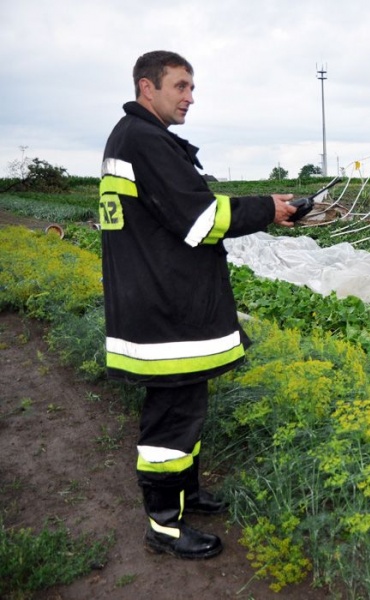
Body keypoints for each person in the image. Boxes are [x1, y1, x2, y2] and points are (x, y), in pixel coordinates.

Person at [99, 50, 297, 560]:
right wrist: (269, 209)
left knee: (186, 410)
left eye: (192, 87)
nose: (190, 97)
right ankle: (164, 526)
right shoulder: (145, 140)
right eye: (180, 86)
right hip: (165, 311)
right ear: (148, 87)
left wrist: (263, 208)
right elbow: (200, 218)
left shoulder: (133, 137)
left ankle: (185, 494)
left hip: (158, 303)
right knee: (170, 421)